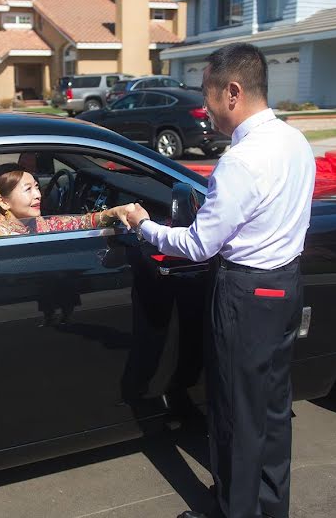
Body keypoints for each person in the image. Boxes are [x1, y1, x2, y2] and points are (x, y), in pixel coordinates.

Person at [124, 43, 316, 518]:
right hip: (284, 287)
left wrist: (142, 225)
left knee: (234, 416)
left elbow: (198, 245)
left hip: (245, 296)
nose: (204, 109)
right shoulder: (295, 141)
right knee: (271, 411)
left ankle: (232, 511)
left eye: (208, 95)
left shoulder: (241, 161)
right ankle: (270, 508)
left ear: (233, 92)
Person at [0, 163, 133, 237]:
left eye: (37, 186)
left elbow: (80, 222)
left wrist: (113, 212)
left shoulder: (36, 223)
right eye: (28, 189)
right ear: (4, 202)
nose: (38, 194)